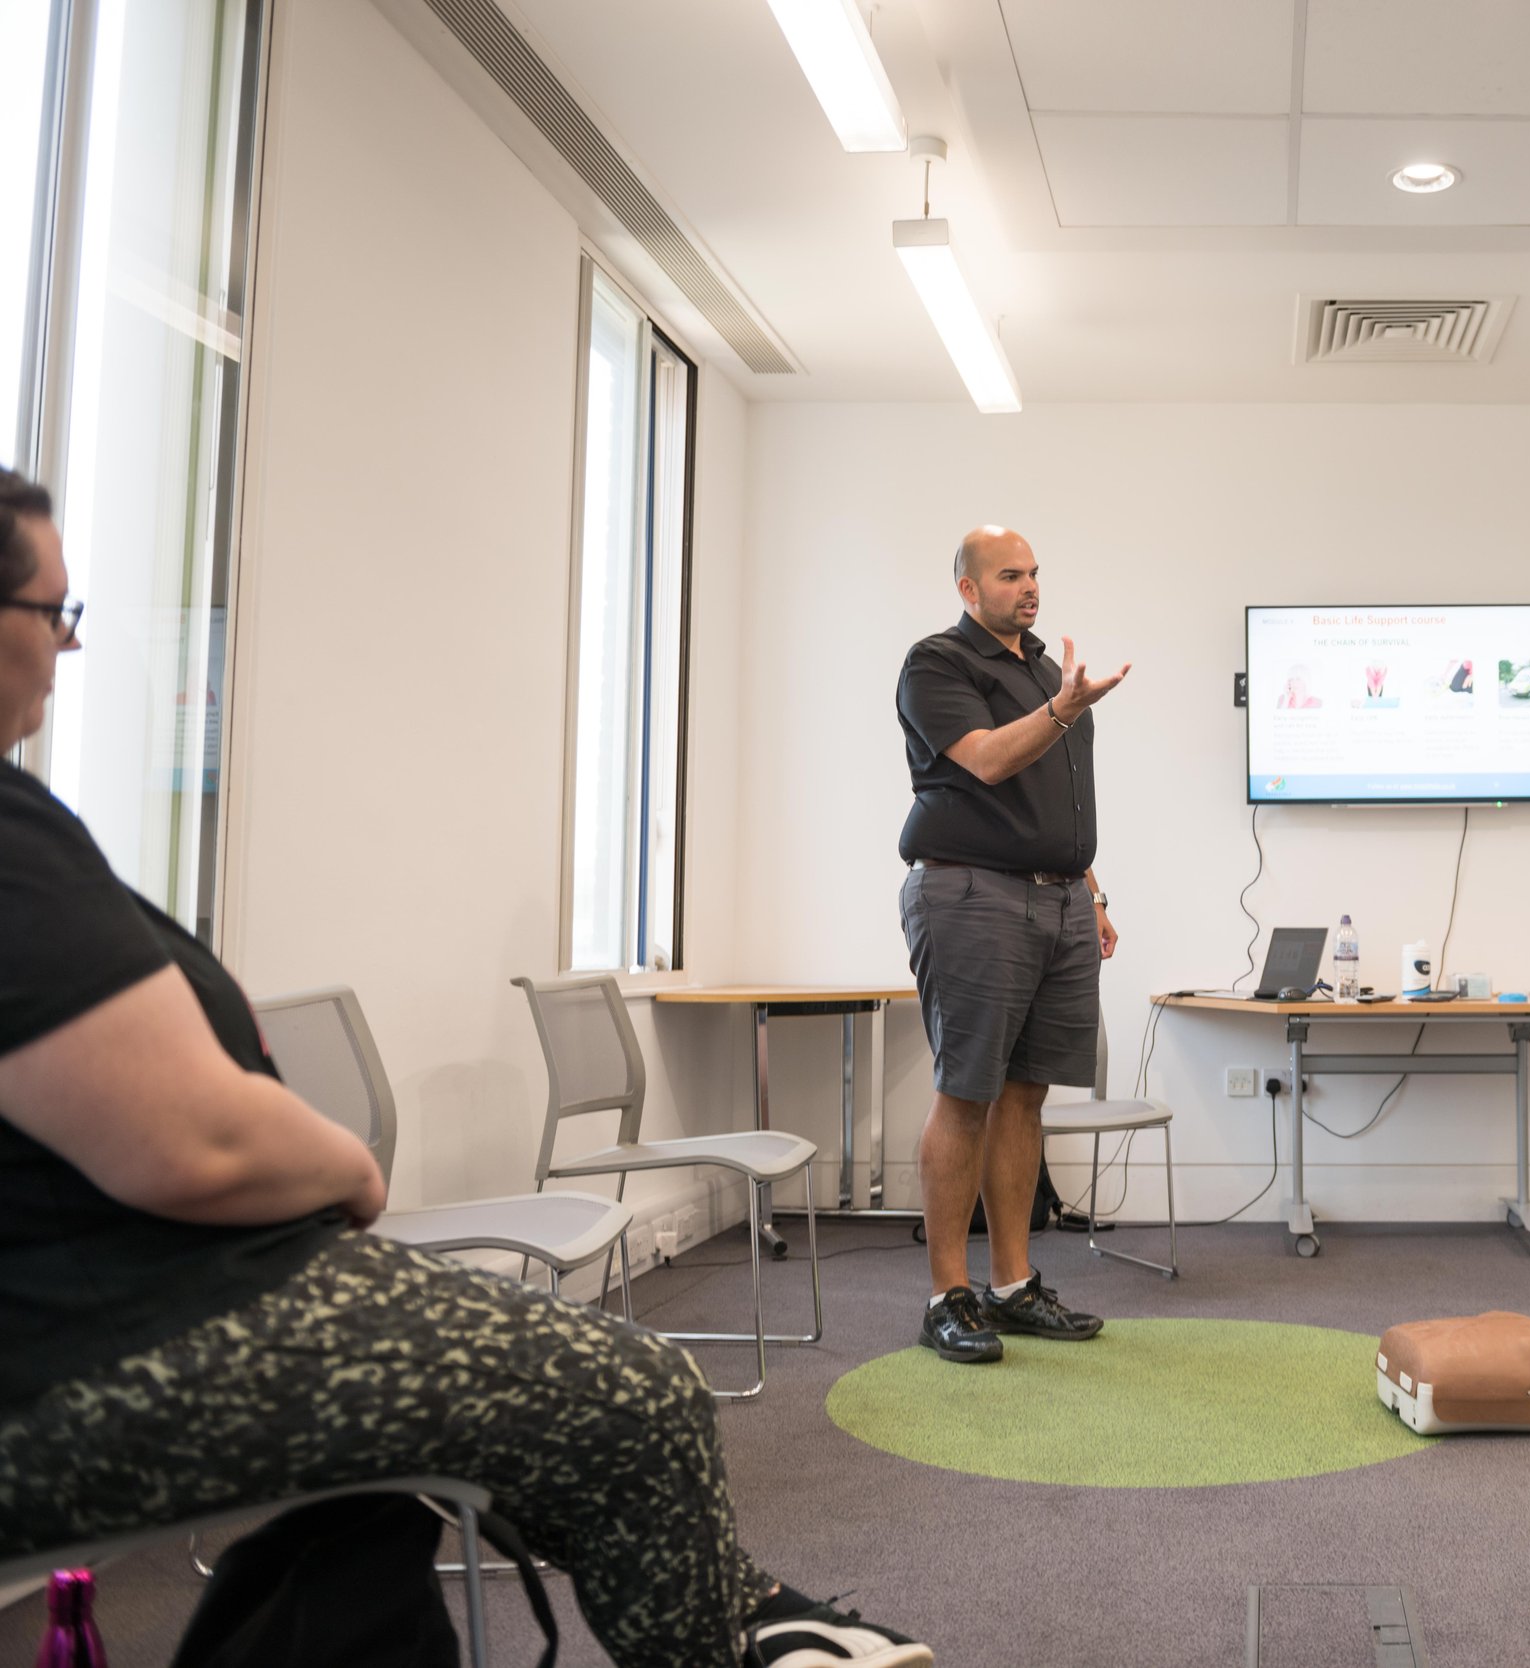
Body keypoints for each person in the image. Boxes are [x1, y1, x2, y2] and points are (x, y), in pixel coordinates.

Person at [0, 470, 927, 1668]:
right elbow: (195, 1142)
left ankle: (750, 1610)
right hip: (105, 1348)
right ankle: (741, 1631)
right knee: (634, 1402)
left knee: (504, 1444)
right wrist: (341, 1163)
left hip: (136, 1305)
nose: (70, 648)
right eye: (54, 613)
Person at [895, 525, 1127, 1364]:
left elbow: (1055, 800)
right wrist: (1063, 707)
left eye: (1033, 574)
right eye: (1008, 575)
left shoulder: (1040, 667)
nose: (1028, 587)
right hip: (968, 893)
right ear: (967, 588)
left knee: (1026, 1097)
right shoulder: (937, 665)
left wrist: (1091, 892)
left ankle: (1013, 1286)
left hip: (1060, 901)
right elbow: (989, 762)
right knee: (968, 1094)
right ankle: (948, 1297)